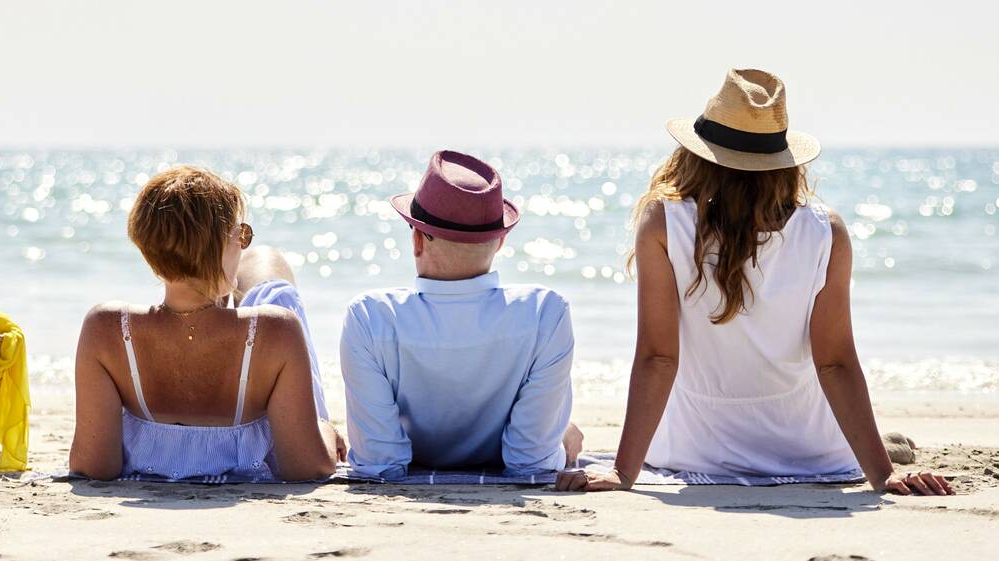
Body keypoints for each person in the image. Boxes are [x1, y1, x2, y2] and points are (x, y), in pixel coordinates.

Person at [556, 69, 952, 495]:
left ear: (696, 155)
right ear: (782, 163)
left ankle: (890, 448)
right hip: (808, 450)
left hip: (695, 449)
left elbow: (658, 357)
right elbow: (834, 363)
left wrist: (623, 472)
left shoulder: (663, 222)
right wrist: (880, 474)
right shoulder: (825, 232)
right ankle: (887, 449)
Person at [69, 165, 339, 481]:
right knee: (276, 290)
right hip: (252, 353)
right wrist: (325, 429)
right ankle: (223, 295)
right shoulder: (277, 329)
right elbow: (307, 467)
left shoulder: (106, 328)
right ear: (218, 244)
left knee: (266, 285)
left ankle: (220, 293)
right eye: (240, 234)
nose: (243, 243)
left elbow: (93, 465)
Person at [341, 150, 582, 480]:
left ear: (416, 240)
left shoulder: (369, 317)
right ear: (499, 242)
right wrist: (560, 434)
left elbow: (379, 461)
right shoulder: (545, 313)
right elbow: (531, 461)